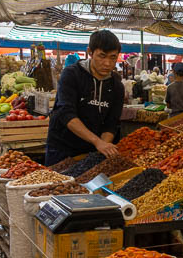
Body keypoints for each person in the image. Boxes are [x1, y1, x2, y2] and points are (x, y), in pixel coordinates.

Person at [45, 30, 124, 165]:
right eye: (102, 56)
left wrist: (102, 146)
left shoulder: (116, 85)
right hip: (63, 148)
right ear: (90, 52)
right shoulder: (72, 74)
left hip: (93, 150)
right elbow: (66, 114)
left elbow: (112, 122)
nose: (107, 63)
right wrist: (97, 142)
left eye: (112, 57)